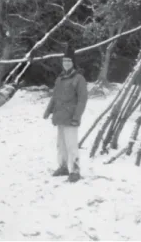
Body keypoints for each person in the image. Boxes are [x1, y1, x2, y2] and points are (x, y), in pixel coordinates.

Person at [43, 44, 88, 183]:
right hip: (60, 116)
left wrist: (76, 117)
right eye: (64, 61)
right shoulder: (60, 78)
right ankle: (62, 167)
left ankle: (75, 171)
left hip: (71, 117)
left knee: (71, 145)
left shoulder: (79, 79)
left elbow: (82, 99)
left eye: (69, 61)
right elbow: (55, 97)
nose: (66, 63)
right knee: (61, 145)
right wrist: (48, 110)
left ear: (73, 63)